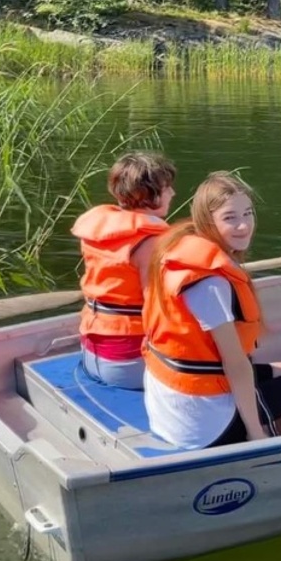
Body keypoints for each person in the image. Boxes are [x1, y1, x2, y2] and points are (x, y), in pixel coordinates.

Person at [141, 171, 281, 450]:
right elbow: (235, 364)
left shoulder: (182, 253)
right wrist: (254, 432)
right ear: (206, 220)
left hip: (176, 398)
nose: (243, 225)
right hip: (201, 421)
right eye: (230, 217)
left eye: (248, 214)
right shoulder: (209, 282)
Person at [71, 151, 176, 390]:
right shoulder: (150, 243)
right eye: (167, 187)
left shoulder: (97, 232)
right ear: (148, 194)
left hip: (90, 354)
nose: (173, 193)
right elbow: (157, 310)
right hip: (128, 363)